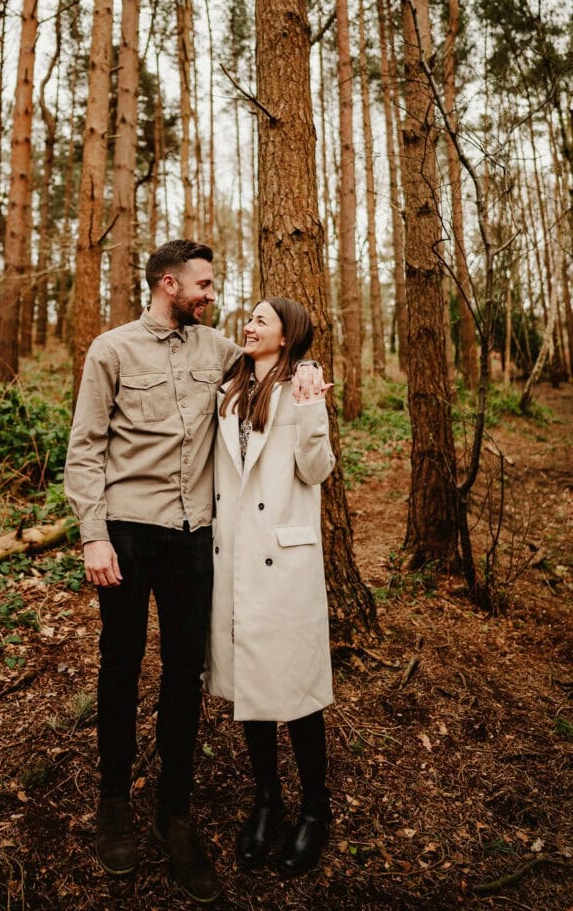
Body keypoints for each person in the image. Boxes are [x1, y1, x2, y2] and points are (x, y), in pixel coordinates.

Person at [64, 239, 240, 904]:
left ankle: (175, 813)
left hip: (195, 538)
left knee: (183, 674)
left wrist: (302, 375)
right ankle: (114, 803)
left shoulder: (218, 350)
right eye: (203, 283)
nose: (211, 292)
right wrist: (93, 537)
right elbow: (84, 447)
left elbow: (269, 369)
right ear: (168, 284)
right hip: (128, 536)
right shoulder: (110, 350)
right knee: (120, 663)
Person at [203, 297, 335, 877]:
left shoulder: (301, 388)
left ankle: (315, 808)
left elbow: (317, 470)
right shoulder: (227, 390)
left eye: (261, 320)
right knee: (252, 690)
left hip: (285, 561)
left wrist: (310, 414)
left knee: (298, 694)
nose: (248, 325)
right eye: (248, 318)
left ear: (287, 336)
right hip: (233, 558)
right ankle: (266, 799)